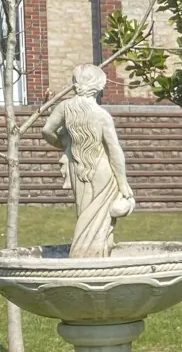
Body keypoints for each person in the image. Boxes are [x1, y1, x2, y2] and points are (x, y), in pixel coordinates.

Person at [43, 64, 135, 257]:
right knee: (100, 219)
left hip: (78, 167)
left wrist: (64, 145)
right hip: (102, 170)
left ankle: (92, 256)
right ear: (99, 86)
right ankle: (92, 257)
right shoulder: (102, 116)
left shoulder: (65, 108)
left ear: (75, 84)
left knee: (84, 213)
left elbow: (47, 131)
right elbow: (114, 150)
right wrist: (123, 183)